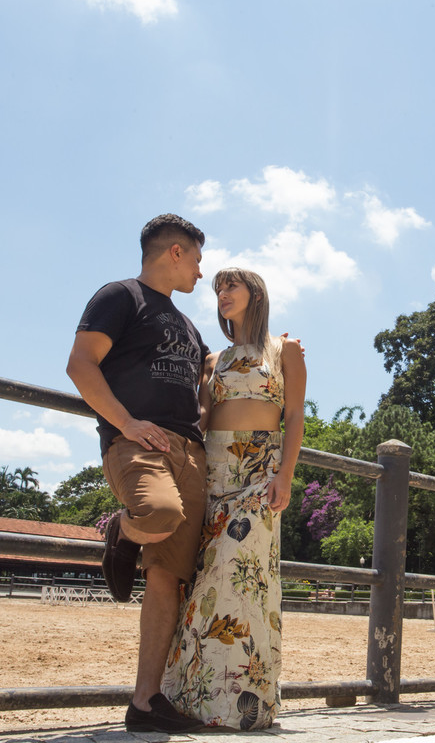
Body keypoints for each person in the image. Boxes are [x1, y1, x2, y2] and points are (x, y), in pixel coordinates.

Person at [66, 213, 209, 735]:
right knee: (158, 512)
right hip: (137, 441)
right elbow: (80, 364)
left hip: (190, 452)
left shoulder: (191, 328)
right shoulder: (119, 296)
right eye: (196, 258)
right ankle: (120, 531)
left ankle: (145, 702)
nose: (199, 270)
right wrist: (125, 422)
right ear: (175, 252)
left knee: (167, 577)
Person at [163, 267, 306, 730]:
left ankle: (244, 706)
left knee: (244, 577)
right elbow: (203, 418)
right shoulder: (214, 359)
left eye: (231, 286)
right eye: (218, 288)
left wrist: (285, 475)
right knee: (207, 581)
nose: (222, 294)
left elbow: (295, 418)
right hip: (215, 474)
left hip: (260, 473)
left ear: (255, 293)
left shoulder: (285, 350)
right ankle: (200, 701)